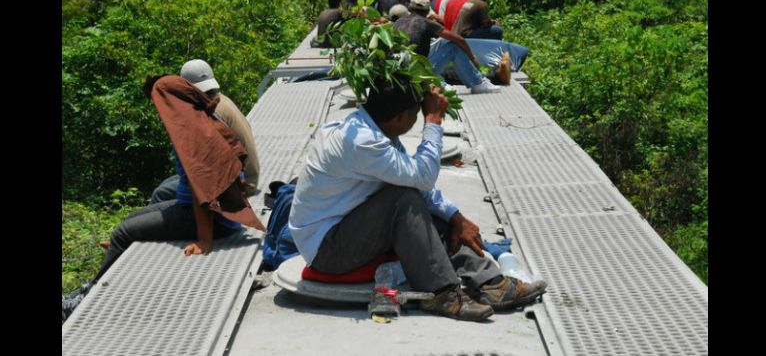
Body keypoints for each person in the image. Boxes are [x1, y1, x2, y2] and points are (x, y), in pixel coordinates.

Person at [288, 77, 547, 321]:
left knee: (424, 206)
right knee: (404, 200)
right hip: (327, 249)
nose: (417, 121)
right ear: (400, 117)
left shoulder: (374, 129)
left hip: (349, 228)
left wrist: (456, 216)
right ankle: (440, 293)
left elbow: (415, 181)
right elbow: (422, 178)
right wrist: (433, 123)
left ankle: (489, 283)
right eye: (415, 115)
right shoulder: (361, 142)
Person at [63, 75, 266, 322]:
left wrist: (204, 241)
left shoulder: (191, 133)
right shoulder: (199, 119)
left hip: (213, 218)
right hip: (208, 210)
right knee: (129, 222)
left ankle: (86, 300)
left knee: (123, 233)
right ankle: (111, 259)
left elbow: (200, 189)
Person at [151, 60, 261, 204]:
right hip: (248, 176)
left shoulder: (210, 112)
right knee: (168, 183)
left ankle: (184, 224)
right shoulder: (222, 99)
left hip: (239, 184)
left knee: (160, 193)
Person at [393, 0, 500, 94]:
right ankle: (477, 83)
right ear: (427, 11)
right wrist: (473, 59)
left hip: (401, 69)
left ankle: (437, 80)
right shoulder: (427, 23)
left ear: (410, 8)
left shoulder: (398, 22)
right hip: (419, 71)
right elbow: (459, 40)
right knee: (453, 46)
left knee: (441, 42)